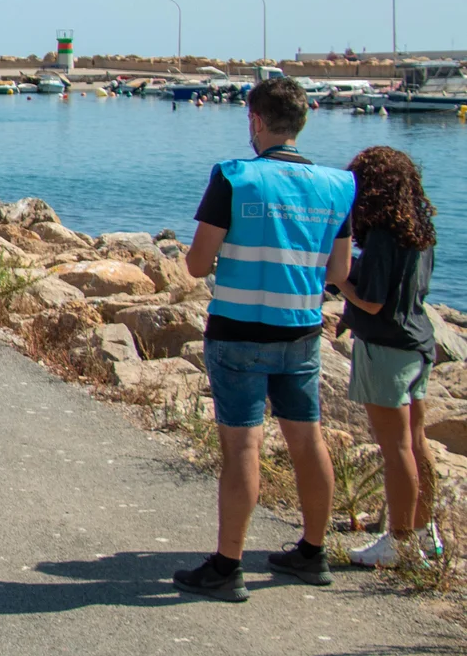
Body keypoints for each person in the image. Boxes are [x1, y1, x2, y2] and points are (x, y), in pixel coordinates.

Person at [173, 77, 353, 602]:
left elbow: (197, 263)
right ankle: (312, 553)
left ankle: (229, 564)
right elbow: (339, 270)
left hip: (239, 329)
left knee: (242, 444)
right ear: (302, 121)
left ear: (254, 120)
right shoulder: (339, 185)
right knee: (307, 439)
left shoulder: (234, 177)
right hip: (301, 328)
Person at [338, 146, 441, 568]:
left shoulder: (382, 235)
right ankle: (423, 531)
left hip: (387, 347)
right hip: (419, 343)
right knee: (416, 442)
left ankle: (398, 541)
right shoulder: (421, 230)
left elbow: (373, 302)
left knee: (395, 447)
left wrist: (338, 280)